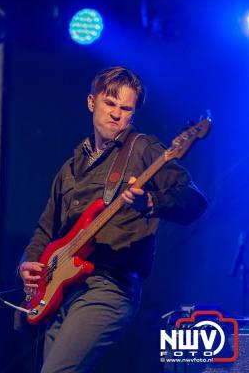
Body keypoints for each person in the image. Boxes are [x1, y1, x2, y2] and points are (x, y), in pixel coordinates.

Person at [18, 66, 207, 373]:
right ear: (92, 103)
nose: (117, 114)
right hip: (59, 290)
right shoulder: (70, 168)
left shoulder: (145, 149)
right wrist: (28, 263)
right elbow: (45, 229)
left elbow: (194, 200)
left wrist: (150, 201)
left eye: (126, 108)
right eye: (110, 104)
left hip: (109, 286)